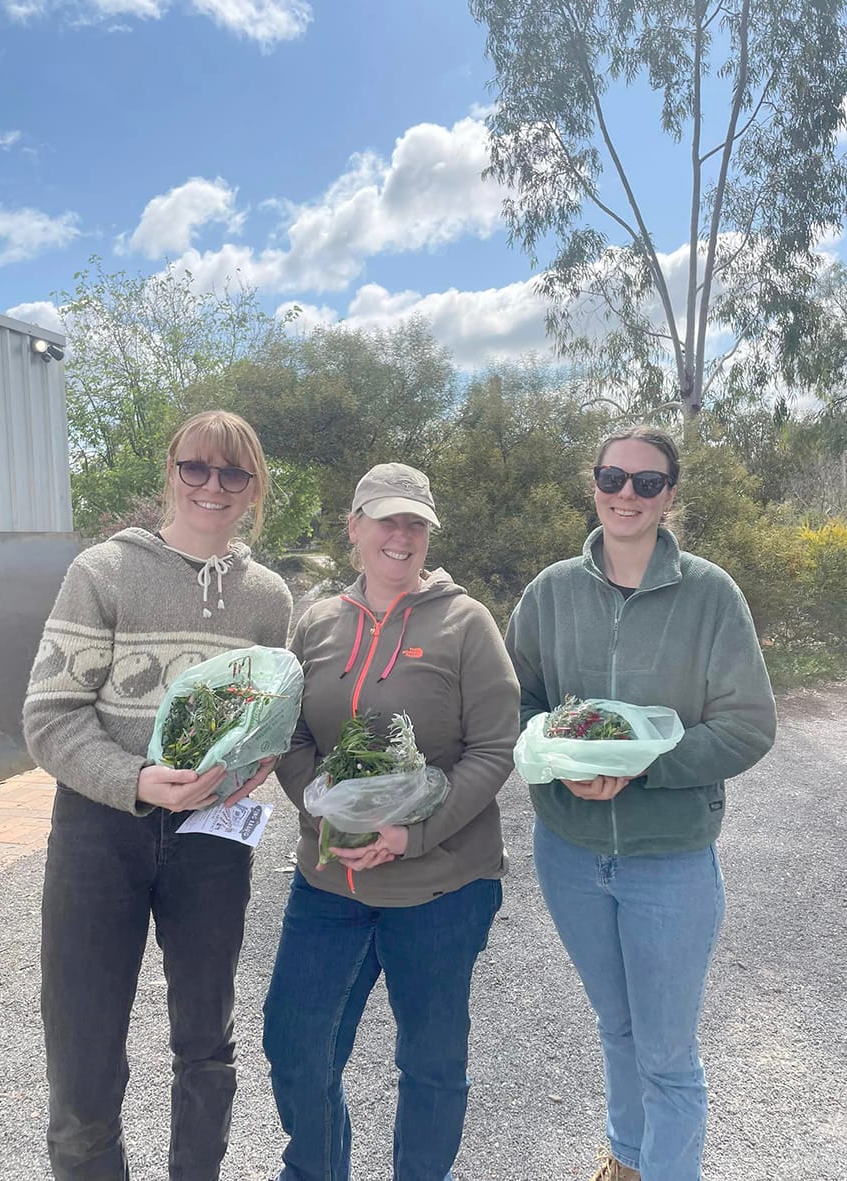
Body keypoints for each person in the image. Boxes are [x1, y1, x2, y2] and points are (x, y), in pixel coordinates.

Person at [23, 411, 292, 1181]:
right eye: (196, 468)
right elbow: (50, 715)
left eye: (232, 473)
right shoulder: (103, 572)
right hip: (98, 830)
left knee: (206, 1041)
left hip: (210, 833)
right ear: (170, 471)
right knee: (83, 1049)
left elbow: (267, 711)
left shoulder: (267, 599)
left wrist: (256, 762)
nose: (213, 485)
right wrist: (134, 779)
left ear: (253, 488)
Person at [504, 426, 776, 1181]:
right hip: (568, 853)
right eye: (612, 476)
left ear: (670, 495)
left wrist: (646, 769)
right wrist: (555, 764)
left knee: (667, 1053)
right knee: (616, 1025)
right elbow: (518, 702)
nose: (626, 493)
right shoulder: (551, 591)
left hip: (670, 861)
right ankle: (625, 1159)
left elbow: (750, 725)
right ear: (594, 484)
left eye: (646, 482)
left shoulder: (710, 595)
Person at [263, 461, 520, 1181]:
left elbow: (495, 746)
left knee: (431, 1062)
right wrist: (319, 803)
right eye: (386, 519)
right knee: (295, 1045)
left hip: (441, 888)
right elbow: (288, 733)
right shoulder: (315, 622)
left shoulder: (466, 623)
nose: (401, 535)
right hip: (328, 885)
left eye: (416, 522)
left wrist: (415, 833)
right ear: (355, 527)